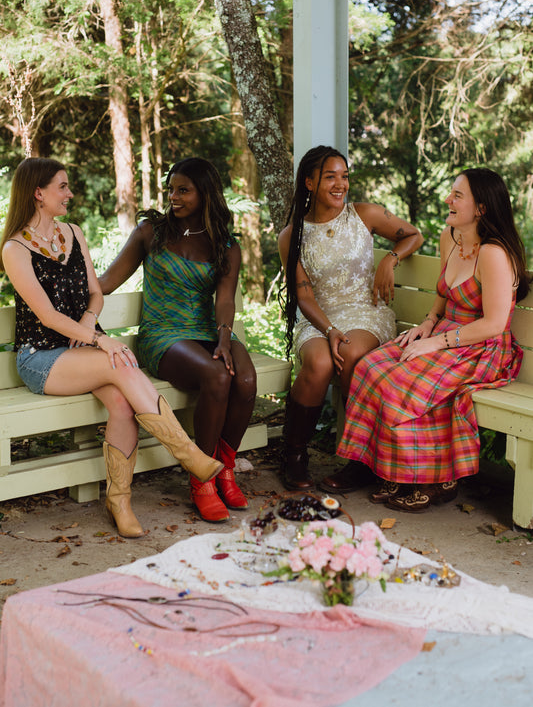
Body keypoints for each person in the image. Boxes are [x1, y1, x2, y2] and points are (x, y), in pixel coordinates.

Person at [0, 158, 223, 539]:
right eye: (62, 186)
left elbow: (96, 292)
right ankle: (187, 454)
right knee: (119, 364)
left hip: (85, 351)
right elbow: (47, 316)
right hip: (42, 357)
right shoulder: (15, 248)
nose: (70, 194)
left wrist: (90, 320)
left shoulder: (72, 233)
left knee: (121, 403)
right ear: (38, 193)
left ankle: (119, 501)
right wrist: (100, 339)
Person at [323, 167, 530, 510]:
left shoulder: (494, 253)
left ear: (481, 208)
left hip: (481, 348)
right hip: (445, 333)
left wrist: (436, 342)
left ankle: (432, 478)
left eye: (457, 196)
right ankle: (378, 467)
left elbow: (494, 324)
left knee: (402, 382)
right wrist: (430, 322)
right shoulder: (451, 236)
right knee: (370, 367)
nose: (448, 200)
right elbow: (445, 293)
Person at [99, 157, 257, 523]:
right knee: (217, 376)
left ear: (205, 194)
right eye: (171, 189)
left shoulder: (225, 245)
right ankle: (202, 480)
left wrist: (223, 339)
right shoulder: (151, 232)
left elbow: (225, 300)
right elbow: (107, 281)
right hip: (163, 333)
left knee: (246, 379)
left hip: (208, 330)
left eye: (183, 190)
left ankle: (225, 469)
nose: (174, 197)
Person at [278, 145, 424, 490]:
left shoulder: (365, 214)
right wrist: (328, 329)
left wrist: (389, 259)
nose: (340, 184)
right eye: (330, 177)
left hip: (366, 312)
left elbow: (414, 235)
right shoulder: (291, 236)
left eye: (344, 176)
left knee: (352, 353)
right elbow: (304, 296)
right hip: (319, 317)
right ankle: (293, 454)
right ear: (310, 183)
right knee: (318, 363)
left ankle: (361, 461)